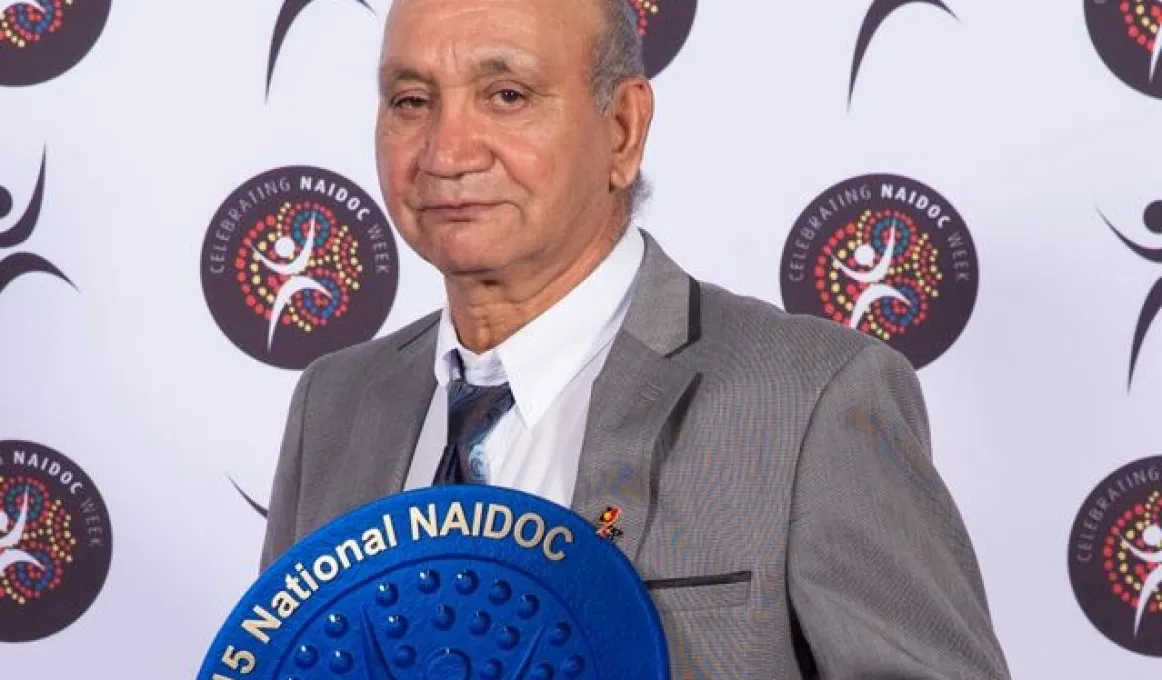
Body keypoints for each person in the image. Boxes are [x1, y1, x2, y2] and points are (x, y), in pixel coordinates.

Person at [259, 0, 1012, 676]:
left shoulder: (813, 398)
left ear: (623, 130)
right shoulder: (335, 403)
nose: (448, 153)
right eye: (412, 101)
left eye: (507, 96)